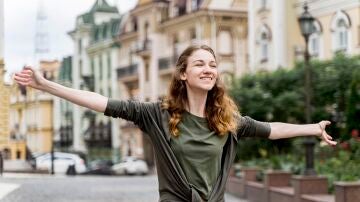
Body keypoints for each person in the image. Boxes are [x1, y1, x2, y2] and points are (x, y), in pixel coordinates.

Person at [14, 44, 337, 202]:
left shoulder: (225, 120)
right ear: (183, 73)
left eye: (213, 64)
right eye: (199, 64)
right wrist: (47, 86)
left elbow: (273, 129)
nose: (208, 69)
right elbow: (101, 101)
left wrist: (312, 129)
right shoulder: (157, 114)